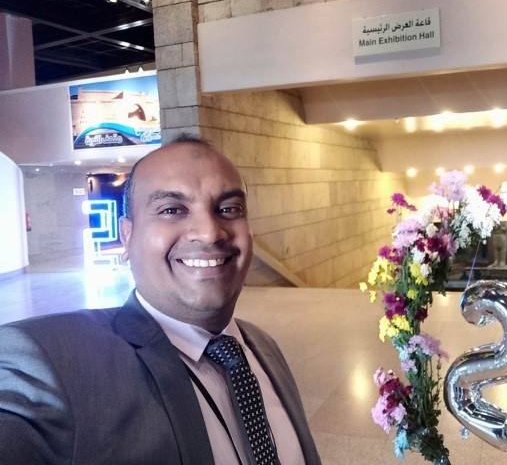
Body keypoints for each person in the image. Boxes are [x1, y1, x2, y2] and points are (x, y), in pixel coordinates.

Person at [0, 135, 321, 464]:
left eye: (229, 209)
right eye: (172, 210)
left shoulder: (262, 346)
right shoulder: (51, 367)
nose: (210, 232)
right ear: (127, 237)